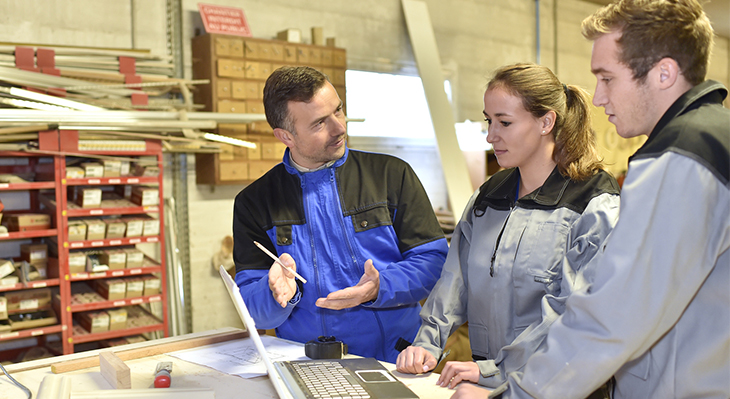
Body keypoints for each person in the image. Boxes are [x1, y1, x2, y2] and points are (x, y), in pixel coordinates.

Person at [455, 1, 729, 398]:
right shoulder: (716, 138)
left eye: (607, 78)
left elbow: (613, 315)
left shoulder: (679, 156)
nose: (598, 98)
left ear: (664, 73)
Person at [396, 63, 621, 397]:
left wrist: (497, 369)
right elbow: (455, 280)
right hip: (486, 381)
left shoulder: (594, 204)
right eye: (489, 120)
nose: (490, 135)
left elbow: (571, 312)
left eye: (504, 122)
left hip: (558, 386)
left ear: (546, 122)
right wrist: (428, 343)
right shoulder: (488, 197)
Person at [231, 66, 449, 363]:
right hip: (308, 362)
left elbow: (433, 262)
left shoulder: (390, 175)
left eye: (339, 110)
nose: (339, 128)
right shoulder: (255, 202)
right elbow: (251, 307)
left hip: (394, 359)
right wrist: (275, 294)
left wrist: (379, 287)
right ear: (286, 136)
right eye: (320, 123)